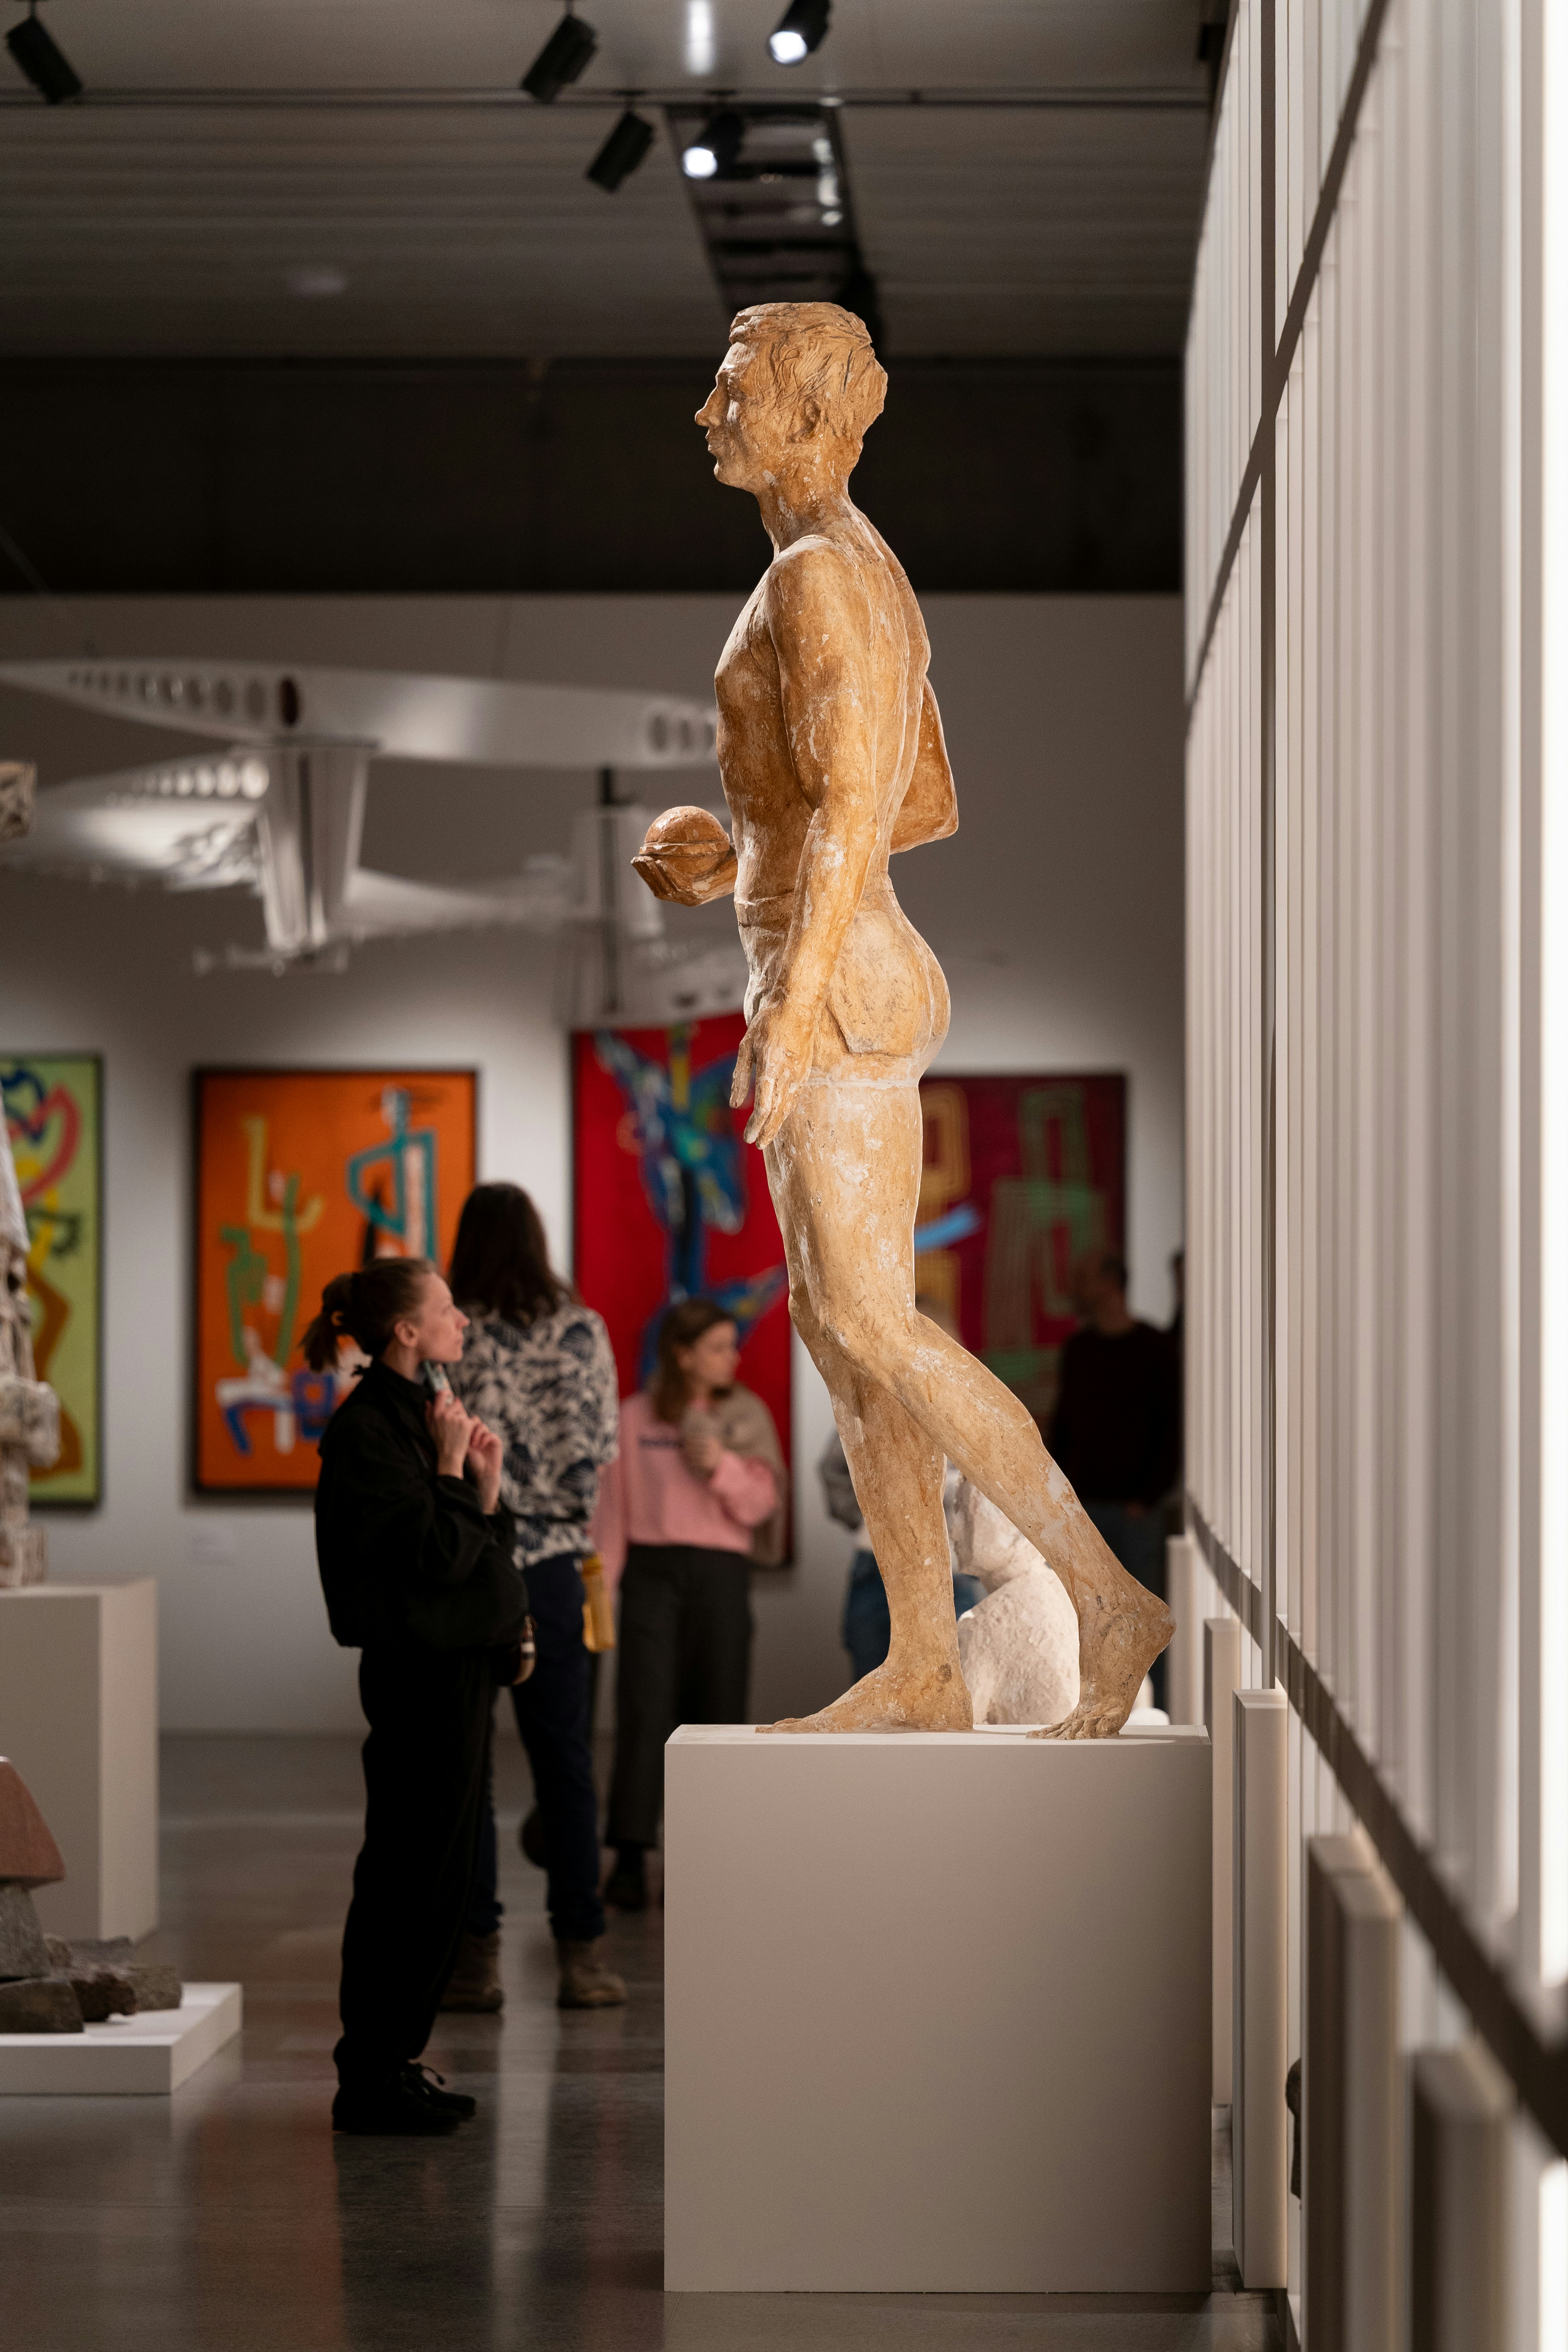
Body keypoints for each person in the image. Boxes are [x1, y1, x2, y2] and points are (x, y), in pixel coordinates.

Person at [633, 300, 1172, 1737]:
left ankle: (1104, 1596)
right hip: (837, 961)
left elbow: (860, 809)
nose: (709, 412)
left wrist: (790, 999)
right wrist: (731, 855)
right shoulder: (853, 565)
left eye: (733, 388)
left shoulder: (818, 576)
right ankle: (925, 1661)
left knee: (868, 1315)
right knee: (833, 1323)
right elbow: (906, 804)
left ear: (809, 417)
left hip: (839, 983)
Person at [306, 1257, 529, 2137]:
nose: (461, 1318)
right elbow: (436, 1557)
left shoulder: (421, 1409)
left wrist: (483, 1486)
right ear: (406, 1331)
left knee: (444, 1870)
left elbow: (470, 1546)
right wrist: (449, 1469)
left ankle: (395, 2059)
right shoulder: (370, 1431)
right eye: (444, 1308)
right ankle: (368, 2073)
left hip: (455, 1666)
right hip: (417, 1673)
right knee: (407, 1868)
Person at [442, 1181, 625, 2013]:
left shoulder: (456, 1335)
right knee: (566, 1763)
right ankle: (582, 1954)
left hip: (473, 1558)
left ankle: (476, 1957)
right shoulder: (584, 1328)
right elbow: (603, 1444)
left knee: (470, 1765)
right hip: (556, 1560)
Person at [597, 1297, 784, 1909]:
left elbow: (761, 1507)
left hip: (721, 1577)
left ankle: (708, 1857)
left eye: (732, 1346)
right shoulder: (634, 1417)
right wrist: (599, 1596)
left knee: (718, 1715)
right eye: (717, 1347)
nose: (733, 1358)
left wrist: (721, 1468)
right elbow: (612, 1514)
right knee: (643, 1713)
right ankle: (629, 1857)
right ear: (682, 1355)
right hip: (650, 1575)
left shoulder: (746, 1415)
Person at [1047, 1249, 1181, 1707]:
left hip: (1133, 1512)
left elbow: (1172, 1431)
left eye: (1084, 1277)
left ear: (1110, 1282)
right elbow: (1064, 1428)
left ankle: (1150, 1709)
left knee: (1141, 1620)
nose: (1075, 1289)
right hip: (1085, 1510)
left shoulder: (1155, 1349)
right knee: (1086, 1618)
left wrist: (1146, 1497)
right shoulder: (1079, 1350)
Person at [825, 1294, 983, 1682]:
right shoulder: (867, 1404)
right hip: (876, 1564)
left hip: (950, 1572)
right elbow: (835, 1470)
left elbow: (985, 1492)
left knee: (951, 1690)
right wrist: (870, 1519)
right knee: (872, 1686)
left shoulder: (969, 1411)